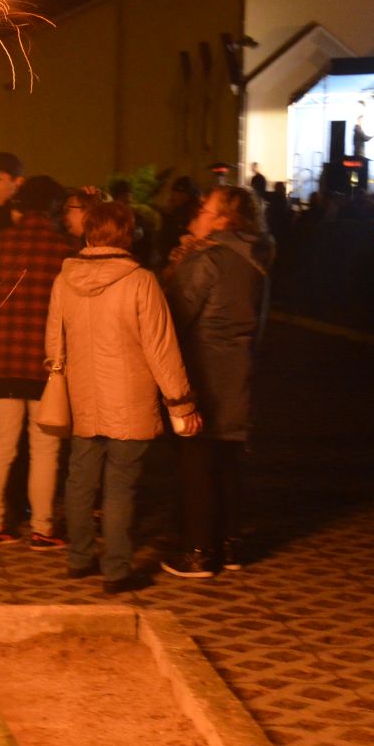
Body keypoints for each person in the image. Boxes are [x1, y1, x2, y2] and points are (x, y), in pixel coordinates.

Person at [46, 200, 201, 594]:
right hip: (130, 398)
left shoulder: (65, 278)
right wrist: (180, 402)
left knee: (80, 478)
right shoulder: (140, 281)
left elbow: (53, 340)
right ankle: (116, 569)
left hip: (82, 394)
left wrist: (59, 376)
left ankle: (79, 559)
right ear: (128, 233)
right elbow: (160, 348)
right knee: (120, 485)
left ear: (88, 230)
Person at [160, 186, 271, 578]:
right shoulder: (255, 260)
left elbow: (175, 318)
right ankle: (229, 544)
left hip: (203, 372)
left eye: (206, 208)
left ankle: (197, 551)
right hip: (240, 372)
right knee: (226, 462)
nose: (198, 213)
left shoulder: (209, 260)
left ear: (224, 219)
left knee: (197, 462)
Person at [0, 174, 77, 549]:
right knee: (45, 451)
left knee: (0, 446)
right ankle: (43, 529)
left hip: (0, 362)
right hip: (48, 366)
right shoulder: (63, 250)